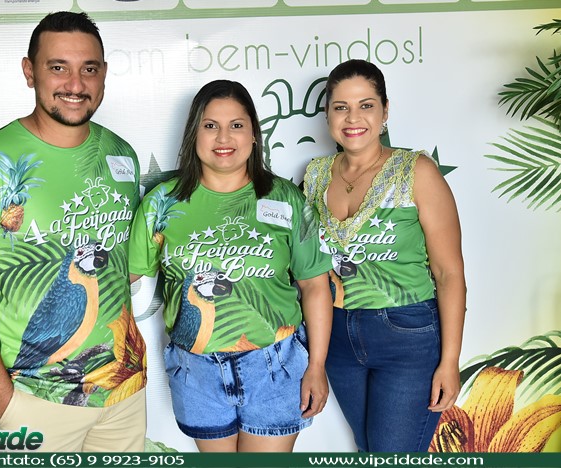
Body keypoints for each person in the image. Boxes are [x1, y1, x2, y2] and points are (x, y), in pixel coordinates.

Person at [0, 11, 146, 452]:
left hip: (123, 392)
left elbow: (123, 268)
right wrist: (6, 403)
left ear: (104, 74)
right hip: (36, 400)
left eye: (89, 69)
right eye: (58, 67)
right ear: (30, 72)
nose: (75, 84)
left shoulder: (121, 155)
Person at [129, 80, 332, 452]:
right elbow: (123, 276)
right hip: (195, 372)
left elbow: (315, 285)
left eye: (236, 125)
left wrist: (317, 365)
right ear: (194, 133)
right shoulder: (162, 203)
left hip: (275, 366)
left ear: (253, 133)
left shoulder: (286, 199)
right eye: (210, 125)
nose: (223, 137)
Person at [303, 59, 466, 452]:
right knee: (368, 450)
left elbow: (449, 274)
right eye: (341, 107)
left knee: (393, 455)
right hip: (337, 337)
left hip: (407, 335)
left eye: (366, 105)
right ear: (327, 114)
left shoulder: (417, 171)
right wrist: (316, 359)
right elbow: (311, 271)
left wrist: (450, 361)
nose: (353, 118)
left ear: (385, 111)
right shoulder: (315, 175)